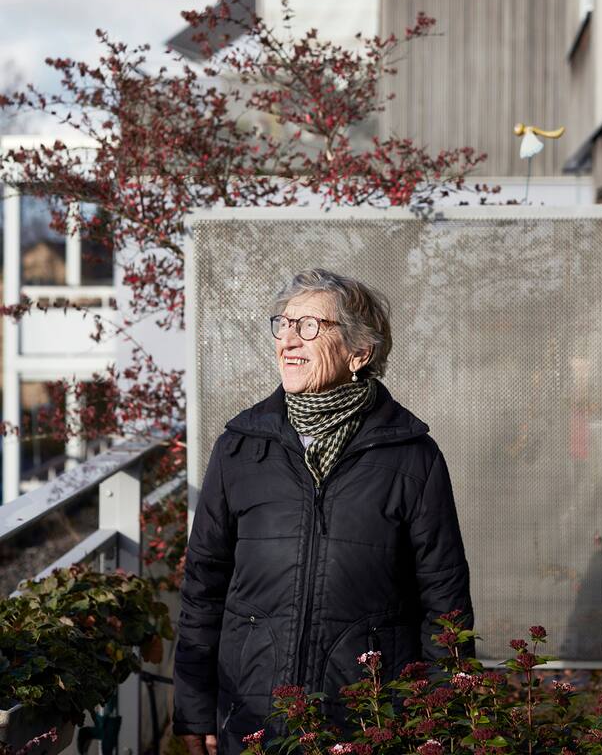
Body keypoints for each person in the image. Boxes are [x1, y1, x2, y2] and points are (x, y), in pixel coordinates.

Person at [173, 269, 473, 754]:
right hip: (253, 710)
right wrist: (193, 709)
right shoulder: (240, 448)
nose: (288, 340)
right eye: (284, 324)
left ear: (359, 352)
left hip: (368, 713)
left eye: (309, 326)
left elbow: (445, 601)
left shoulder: (413, 457)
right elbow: (202, 587)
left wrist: (440, 719)